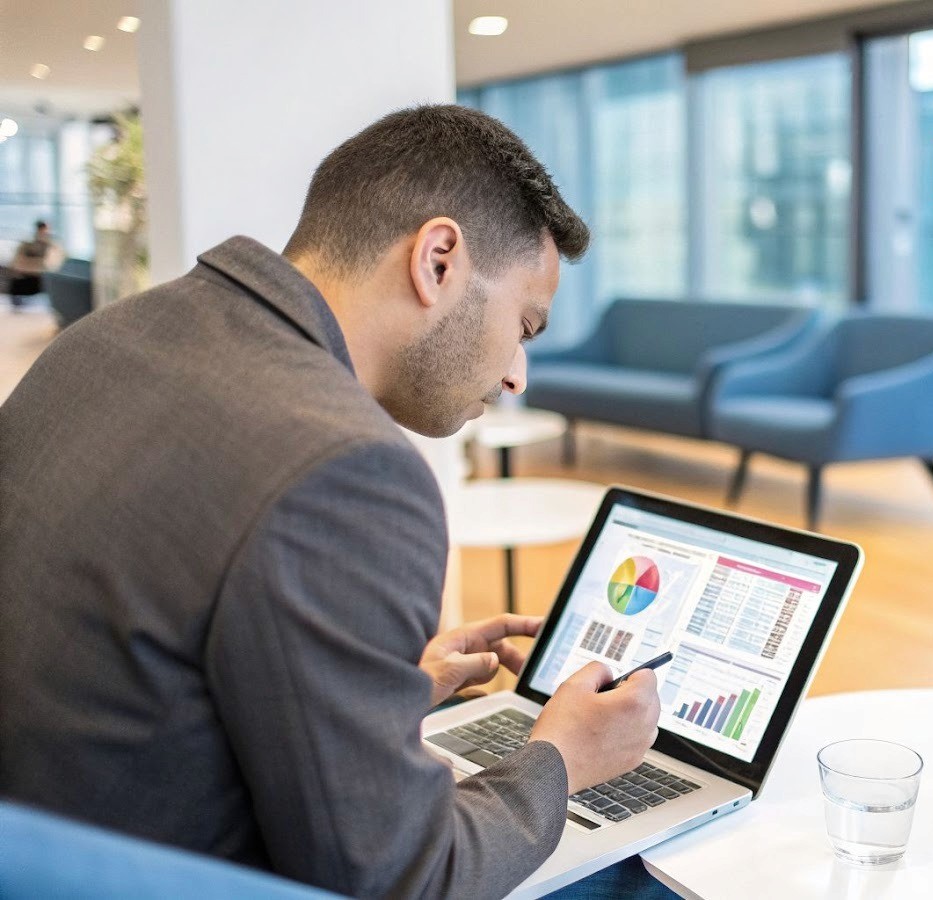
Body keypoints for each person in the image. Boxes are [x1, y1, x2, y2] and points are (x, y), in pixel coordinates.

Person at [0, 106, 673, 898]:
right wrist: (561, 757)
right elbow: (404, 880)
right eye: (523, 325)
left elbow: (134, 660)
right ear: (439, 260)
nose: (517, 374)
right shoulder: (347, 469)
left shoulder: (103, 340)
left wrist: (378, 690)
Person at [4, 219, 63, 308]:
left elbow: (52, 263)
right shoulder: (28, 243)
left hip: (41, 274)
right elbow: (17, 260)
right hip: (27, 274)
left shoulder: (52, 245)